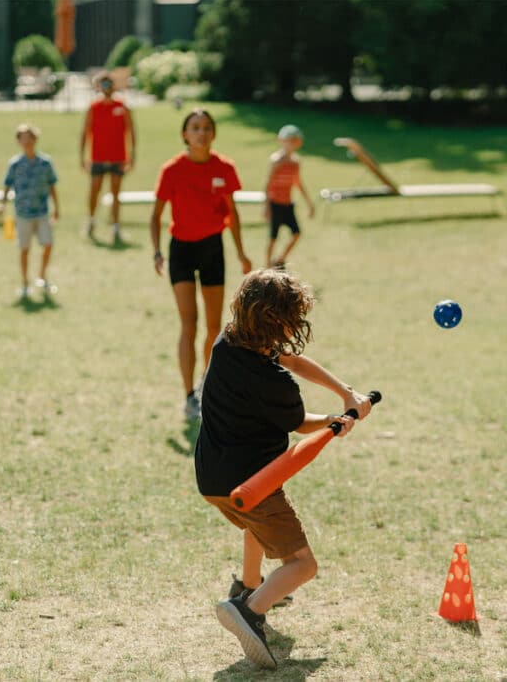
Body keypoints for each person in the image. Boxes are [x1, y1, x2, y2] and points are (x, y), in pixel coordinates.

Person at [196, 269, 373, 669]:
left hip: (211, 478)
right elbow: (300, 424)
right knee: (302, 565)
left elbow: (292, 359)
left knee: (254, 528)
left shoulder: (227, 342)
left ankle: (248, 584)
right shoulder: (276, 385)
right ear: (282, 322)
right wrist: (335, 419)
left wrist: (345, 394)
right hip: (253, 485)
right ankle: (249, 610)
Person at [150, 109, 252, 420]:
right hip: (181, 249)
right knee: (189, 324)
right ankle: (187, 396)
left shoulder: (224, 167)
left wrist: (241, 252)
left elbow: (232, 215)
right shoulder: (172, 170)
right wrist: (157, 252)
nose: (201, 133)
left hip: (212, 248)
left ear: (213, 133)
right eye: (195, 128)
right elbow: (155, 216)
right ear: (185, 134)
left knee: (213, 326)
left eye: (207, 127)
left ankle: (206, 383)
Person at [0, 124, 60, 298]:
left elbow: (52, 185)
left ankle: (42, 276)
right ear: (19, 142)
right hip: (23, 213)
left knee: (48, 244)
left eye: (29, 137)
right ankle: (25, 283)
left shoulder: (45, 163)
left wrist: (57, 208)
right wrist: (2, 204)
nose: (27, 141)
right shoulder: (15, 164)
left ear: (35, 139)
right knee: (24, 249)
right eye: (23, 138)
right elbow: (7, 184)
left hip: (42, 212)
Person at [80, 70, 135, 244]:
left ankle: (116, 225)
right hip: (98, 157)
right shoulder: (94, 107)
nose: (106, 88)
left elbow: (131, 132)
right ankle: (91, 220)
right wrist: (82, 156)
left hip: (118, 157)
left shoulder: (122, 106)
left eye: (109, 84)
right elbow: (85, 132)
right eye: (103, 84)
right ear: (99, 87)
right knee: (94, 190)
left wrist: (132, 156)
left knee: (115, 193)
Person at [264, 124, 314, 268]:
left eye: (294, 141)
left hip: (288, 204)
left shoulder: (296, 162)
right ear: (282, 141)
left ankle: (280, 259)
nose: (291, 144)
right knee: (273, 238)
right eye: (289, 140)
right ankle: (266, 267)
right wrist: (266, 207)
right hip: (275, 204)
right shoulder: (276, 161)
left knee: (296, 233)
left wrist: (309, 203)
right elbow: (268, 184)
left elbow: (298, 183)